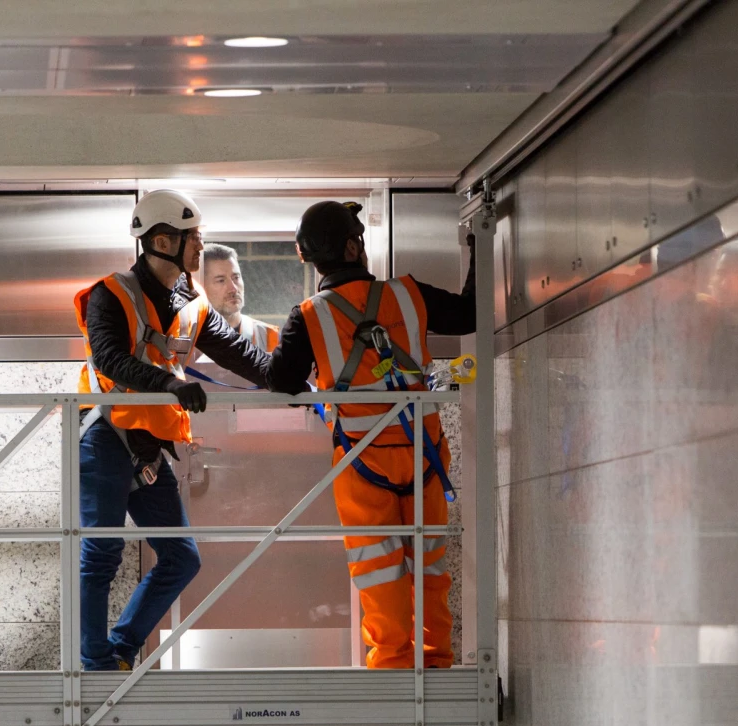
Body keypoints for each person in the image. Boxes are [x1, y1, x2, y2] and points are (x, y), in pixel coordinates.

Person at [266, 200, 475, 669]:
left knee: (378, 569)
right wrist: (478, 244)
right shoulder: (408, 294)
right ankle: (436, 659)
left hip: (362, 464)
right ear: (354, 245)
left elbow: (280, 379)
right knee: (429, 563)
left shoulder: (308, 317)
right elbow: (468, 315)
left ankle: (391, 665)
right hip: (424, 457)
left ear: (309, 258)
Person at [72, 189, 269, 671]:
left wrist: (299, 383)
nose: (200, 247)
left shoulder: (192, 303)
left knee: (181, 558)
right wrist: (168, 384)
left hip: (148, 448)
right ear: (162, 241)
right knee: (101, 551)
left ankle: (118, 647)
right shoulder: (110, 295)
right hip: (106, 435)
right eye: (193, 238)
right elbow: (110, 359)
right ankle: (95, 661)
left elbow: (242, 355)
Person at [200, 243, 280, 351]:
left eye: (236, 277)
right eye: (221, 280)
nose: (233, 288)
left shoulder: (270, 337)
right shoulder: (188, 338)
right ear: (200, 286)